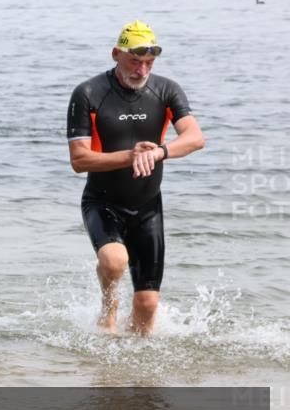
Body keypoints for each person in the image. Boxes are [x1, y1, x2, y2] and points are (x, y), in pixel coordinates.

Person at [67, 21, 205, 336]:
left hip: (147, 207)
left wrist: (159, 153)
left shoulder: (166, 90)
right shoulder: (88, 93)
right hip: (102, 202)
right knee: (114, 260)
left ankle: (134, 365)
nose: (142, 70)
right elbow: (79, 160)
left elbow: (195, 138)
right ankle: (109, 304)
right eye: (134, 61)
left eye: (149, 63)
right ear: (116, 54)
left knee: (147, 305)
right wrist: (130, 156)